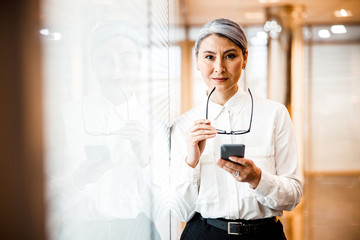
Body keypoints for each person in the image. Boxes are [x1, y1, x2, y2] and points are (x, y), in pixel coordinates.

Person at [170, 18, 303, 240]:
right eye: (209, 57)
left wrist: (257, 179)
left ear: (245, 58)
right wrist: (191, 161)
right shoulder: (184, 125)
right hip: (203, 234)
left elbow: (293, 197)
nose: (219, 68)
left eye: (230, 56)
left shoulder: (274, 114)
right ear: (197, 61)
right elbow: (181, 211)